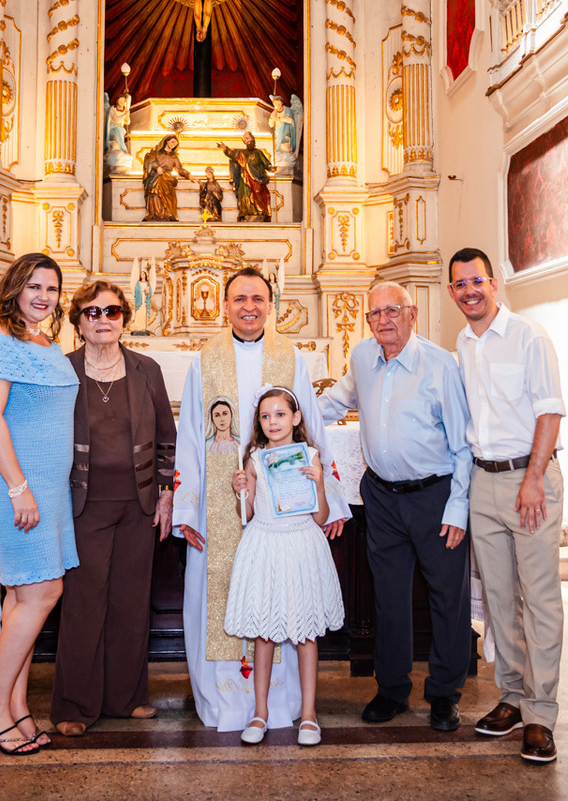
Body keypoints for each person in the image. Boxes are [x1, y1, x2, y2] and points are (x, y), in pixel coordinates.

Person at [0, 280, 177, 738]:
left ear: (125, 318)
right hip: (79, 500)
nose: (104, 320)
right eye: (93, 312)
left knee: (130, 600)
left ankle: (127, 697)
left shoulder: (147, 369)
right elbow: (16, 411)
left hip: (138, 501)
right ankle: (75, 705)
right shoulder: (60, 369)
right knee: (81, 602)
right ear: (79, 321)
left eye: (113, 312)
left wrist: (165, 490)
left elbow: (166, 434)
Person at [173, 266, 350, 733]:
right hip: (222, 508)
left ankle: (288, 704)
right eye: (239, 299)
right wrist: (188, 508)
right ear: (224, 306)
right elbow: (190, 437)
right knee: (224, 591)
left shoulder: (288, 355)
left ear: (270, 305)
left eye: (257, 298)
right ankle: (230, 705)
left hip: (286, 522)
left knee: (284, 599)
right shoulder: (203, 360)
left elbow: (312, 426)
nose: (248, 307)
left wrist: (328, 498)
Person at [318, 281, 474, 733]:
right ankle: (391, 690)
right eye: (375, 313)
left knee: (447, 598)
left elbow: (463, 443)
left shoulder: (441, 365)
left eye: (393, 311)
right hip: (382, 496)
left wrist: (457, 507)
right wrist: (286, 409)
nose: (383, 320)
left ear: (413, 313)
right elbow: (337, 400)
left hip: (434, 496)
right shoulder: (363, 356)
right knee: (388, 597)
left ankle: (445, 694)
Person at [448, 247, 567, 764]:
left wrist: (535, 478)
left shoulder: (528, 336)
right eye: (459, 285)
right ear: (452, 292)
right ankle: (513, 697)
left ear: (493, 283)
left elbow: (549, 410)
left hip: (528, 478)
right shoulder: (464, 341)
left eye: (477, 281)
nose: (469, 291)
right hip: (484, 479)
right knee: (499, 600)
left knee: (538, 598)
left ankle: (541, 714)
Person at [0, 253, 78, 756]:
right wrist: (17, 486)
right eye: (33, 286)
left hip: (42, 487)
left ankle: (16, 706)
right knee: (41, 592)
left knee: (21, 597)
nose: (43, 296)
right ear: (14, 287)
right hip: (13, 485)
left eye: (51, 288)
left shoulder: (46, 341)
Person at [225, 387, 344, 747]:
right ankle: (259, 711)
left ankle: (308, 714)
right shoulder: (256, 459)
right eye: (265, 416)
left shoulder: (310, 456)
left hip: (301, 543)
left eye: (279, 414)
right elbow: (245, 516)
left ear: (295, 418)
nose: (272, 422)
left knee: (306, 633)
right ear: (259, 423)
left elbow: (320, 516)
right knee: (264, 632)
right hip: (265, 544)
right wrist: (240, 490)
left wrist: (319, 484)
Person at [217, 132, 272, 222]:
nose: (247, 141)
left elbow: (266, 163)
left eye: (248, 138)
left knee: (257, 193)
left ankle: (260, 211)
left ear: (253, 139)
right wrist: (225, 148)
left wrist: (271, 168)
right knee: (246, 194)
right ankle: (248, 212)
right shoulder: (242, 153)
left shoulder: (258, 153)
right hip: (245, 178)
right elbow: (232, 154)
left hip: (257, 177)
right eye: (245, 140)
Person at [143, 134, 191, 221]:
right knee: (155, 192)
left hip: (167, 178)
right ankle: (156, 213)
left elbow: (179, 168)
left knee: (168, 195)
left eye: (175, 143)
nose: (174, 144)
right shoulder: (156, 153)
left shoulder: (173, 156)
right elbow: (149, 160)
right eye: (172, 142)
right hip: (156, 177)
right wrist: (157, 167)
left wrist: (188, 175)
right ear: (167, 141)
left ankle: (167, 214)